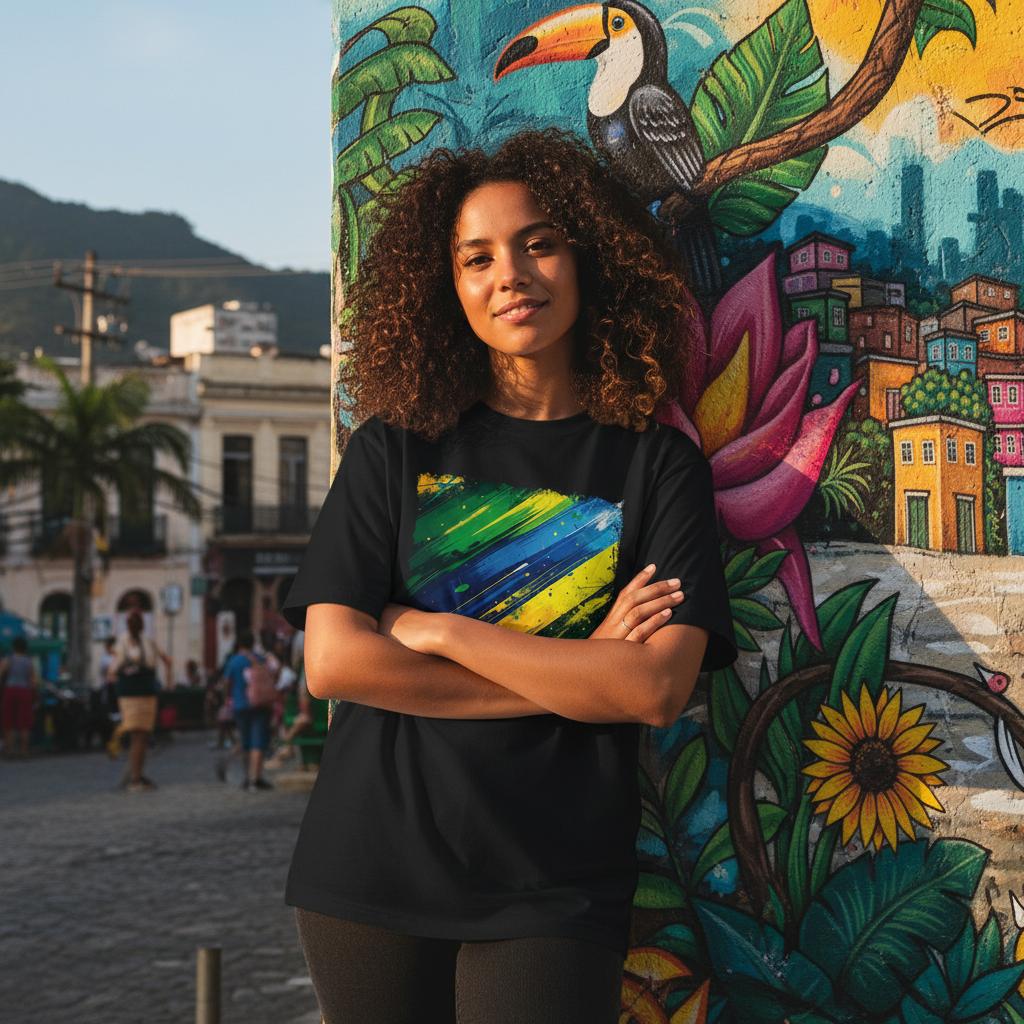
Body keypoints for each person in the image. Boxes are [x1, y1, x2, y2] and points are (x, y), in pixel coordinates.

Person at [279, 127, 738, 1024]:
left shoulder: (656, 468)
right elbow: (336, 665)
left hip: (555, 882)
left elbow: (650, 686)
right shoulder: (393, 449)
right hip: (369, 867)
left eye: (538, 243)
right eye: (476, 258)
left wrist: (442, 631)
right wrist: (577, 676)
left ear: (587, 256)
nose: (511, 276)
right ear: (447, 288)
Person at [107, 610, 171, 791]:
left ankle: (137, 774)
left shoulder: (146, 641)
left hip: (142, 692)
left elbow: (166, 659)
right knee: (138, 735)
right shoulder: (126, 642)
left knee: (142, 736)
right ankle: (135, 778)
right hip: (134, 693)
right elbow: (112, 671)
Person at [218, 629, 274, 791]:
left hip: (240, 705)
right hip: (261, 703)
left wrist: (227, 700)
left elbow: (227, 682)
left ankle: (247, 777)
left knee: (246, 741)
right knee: (259, 741)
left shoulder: (234, 661)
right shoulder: (260, 659)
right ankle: (255, 778)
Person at [1, 636, 39, 758]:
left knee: (8, 721)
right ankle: (24, 750)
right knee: (24, 722)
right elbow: (33, 681)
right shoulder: (29, 661)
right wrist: (34, 694)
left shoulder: (9, 659)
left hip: (11, 690)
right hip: (25, 691)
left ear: (14, 647)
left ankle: (9, 750)